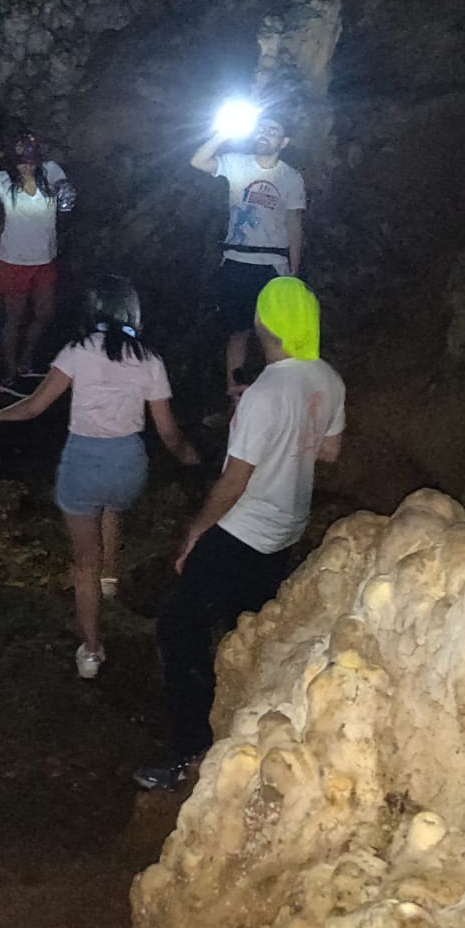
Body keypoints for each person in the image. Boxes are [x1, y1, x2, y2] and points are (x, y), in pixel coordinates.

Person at [134, 276, 343, 791]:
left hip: (243, 530)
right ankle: (245, 738)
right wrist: (284, 430)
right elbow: (329, 451)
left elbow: (234, 481)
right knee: (246, 633)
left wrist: (195, 533)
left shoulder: (265, 393)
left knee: (178, 627)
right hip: (286, 529)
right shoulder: (328, 379)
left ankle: (189, 753)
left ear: (264, 325)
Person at [0, 276, 199, 679]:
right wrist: (189, 455)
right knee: (112, 505)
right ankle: (109, 577)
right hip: (128, 465)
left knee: (84, 562)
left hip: (83, 462)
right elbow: (168, 433)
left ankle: (91, 652)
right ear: (132, 312)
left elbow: (33, 407)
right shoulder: (149, 359)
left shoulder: (77, 351)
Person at [190, 106, 305, 406]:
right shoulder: (236, 163)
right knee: (237, 332)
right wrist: (222, 133)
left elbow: (294, 224)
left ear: (284, 142)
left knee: (274, 333)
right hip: (237, 262)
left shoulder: (291, 178)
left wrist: (293, 272)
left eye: (273, 131)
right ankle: (237, 400)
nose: (265, 134)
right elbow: (198, 161)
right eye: (262, 128)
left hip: (273, 264)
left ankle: (278, 401)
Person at [0, 131, 71, 394]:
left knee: (44, 313)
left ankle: (26, 361)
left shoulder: (50, 171)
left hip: (45, 259)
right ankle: (9, 374)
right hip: (14, 261)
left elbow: (65, 192)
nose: (26, 166)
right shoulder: (3, 180)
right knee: (14, 318)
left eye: (30, 161)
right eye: (21, 162)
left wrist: (65, 192)